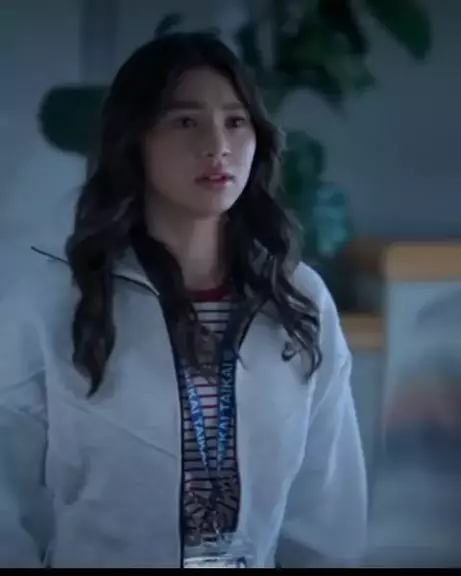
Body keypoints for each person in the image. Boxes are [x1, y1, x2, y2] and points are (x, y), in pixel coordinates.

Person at [0, 33, 367, 568]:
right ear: (135, 140)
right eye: (185, 121)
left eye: (235, 122)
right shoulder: (54, 303)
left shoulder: (297, 300)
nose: (217, 145)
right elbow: (8, 510)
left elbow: (326, 513)